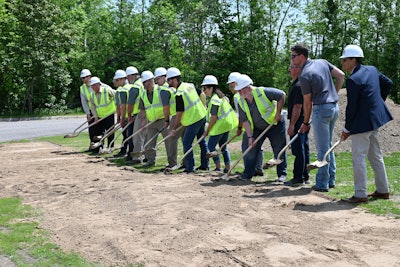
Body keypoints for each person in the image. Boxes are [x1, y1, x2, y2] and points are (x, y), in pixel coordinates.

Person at [339, 45, 393, 203]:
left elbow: (352, 107)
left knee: (359, 158)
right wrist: (377, 103)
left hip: (362, 124)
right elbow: (388, 83)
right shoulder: (372, 70)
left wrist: (347, 128)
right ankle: (383, 190)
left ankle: (360, 194)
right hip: (375, 120)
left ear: (353, 60)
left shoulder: (353, 80)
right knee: (376, 156)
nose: (342, 63)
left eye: (344, 60)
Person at [291, 43, 345, 192]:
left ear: (301, 56)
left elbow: (307, 103)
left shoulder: (304, 75)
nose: (291, 59)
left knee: (322, 150)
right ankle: (331, 180)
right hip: (334, 107)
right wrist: (334, 93)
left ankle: (322, 184)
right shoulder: (322, 62)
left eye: (293, 56)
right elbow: (341, 75)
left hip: (321, 109)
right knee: (327, 146)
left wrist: (305, 122)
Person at [235, 74, 287, 181]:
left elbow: (282, 95)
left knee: (279, 149)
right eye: (238, 91)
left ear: (248, 88)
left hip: (275, 125)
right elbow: (245, 121)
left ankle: (282, 175)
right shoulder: (241, 101)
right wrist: (250, 137)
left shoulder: (262, 92)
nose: (239, 93)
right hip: (258, 128)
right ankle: (248, 174)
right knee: (251, 149)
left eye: (240, 90)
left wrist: (278, 113)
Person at [167, 67, 208, 173]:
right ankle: (205, 165)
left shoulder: (179, 93)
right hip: (201, 115)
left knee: (186, 142)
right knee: (201, 141)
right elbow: (201, 93)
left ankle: (190, 168)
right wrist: (204, 105)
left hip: (194, 119)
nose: (168, 82)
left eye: (169, 80)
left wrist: (174, 128)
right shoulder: (189, 85)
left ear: (175, 80)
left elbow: (179, 114)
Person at [227, 72, 265, 177]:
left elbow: (241, 115)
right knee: (257, 146)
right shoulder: (243, 94)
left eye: (231, 85)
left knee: (247, 147)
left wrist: (240, 128)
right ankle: (258, 168)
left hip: (249, 126)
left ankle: (250, 170)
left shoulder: (237, 97)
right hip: (253, 124)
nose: (231, 88)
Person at [201, 75, 238, 172]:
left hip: (221, 125)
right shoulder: (221, 97)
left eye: (205, 88)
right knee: (223, 147)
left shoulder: (214, 99)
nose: (204, 91)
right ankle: (227, 167)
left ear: (211, 88)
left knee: (210, 147)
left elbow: (213, 117)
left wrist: (207, 131)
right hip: (227, 124)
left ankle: (218, 167)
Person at [284, 64, 310, 186]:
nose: (289, 69)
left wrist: (292, 125)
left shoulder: (298, 86)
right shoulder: (300, 84)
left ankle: (298, 178)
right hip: (303, 121)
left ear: (299, 70)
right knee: (304, 149)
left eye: (292, 67)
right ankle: (305, 176)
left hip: (299, 122)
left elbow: (297, 106)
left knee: (299, 150)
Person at [138, 71, 170, 167]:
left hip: (163, 120)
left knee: (168, 141)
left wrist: (167, 119)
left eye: (145, 82)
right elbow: (143, 110)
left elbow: (167, 106)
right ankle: (150, 161)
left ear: (150, 81)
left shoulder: (161, 91)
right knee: (150, 142)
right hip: (151, 121)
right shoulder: (143, 94)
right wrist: (144, 122)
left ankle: (171, 162)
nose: (144, 84)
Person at [89, 77, 116, 153]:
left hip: (109, 115)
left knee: (110, 132)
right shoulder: (92, 95)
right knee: (98, 133)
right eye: (92, 86)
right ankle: (99, 147)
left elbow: (117, 95)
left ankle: (110, 147)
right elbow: (93, 107)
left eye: (94, 85)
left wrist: (118, 106)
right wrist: (95, 117)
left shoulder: (107, 90)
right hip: (100, 116)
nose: (93, 87)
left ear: (98, 84)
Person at [126, 66, 146, 164]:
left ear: (132, 76)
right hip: (147, 112)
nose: (127, 79)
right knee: (144, 136)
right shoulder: (142, 83)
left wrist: (129, 115)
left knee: (137, 137)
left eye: (128, 77)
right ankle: (144, 155)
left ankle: (137, 157)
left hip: (138, 113)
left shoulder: (135, 87)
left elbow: (131, 103)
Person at [113, 69, 132, 157]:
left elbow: (123, 106)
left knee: (128, 134)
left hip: (129, 116)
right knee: (127, 135)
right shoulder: (129, 87)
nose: (115, 82)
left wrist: (122, 118)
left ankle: (127, 152)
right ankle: (125, 151)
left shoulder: (124, 90)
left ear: (123, 79)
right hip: (130, 115)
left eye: (117, 80)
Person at [79, 69, 95, 150]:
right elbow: (84, 102)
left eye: (84, 77)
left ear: (89, 77)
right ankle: (92, 144)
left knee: (101, 128)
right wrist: (88, 113)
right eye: (82, 78)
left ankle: (100, 145)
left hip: (100, 110)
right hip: (91, 111)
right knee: (91, 128)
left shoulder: (96, 83)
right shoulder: (82, 88)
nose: (83, 79)